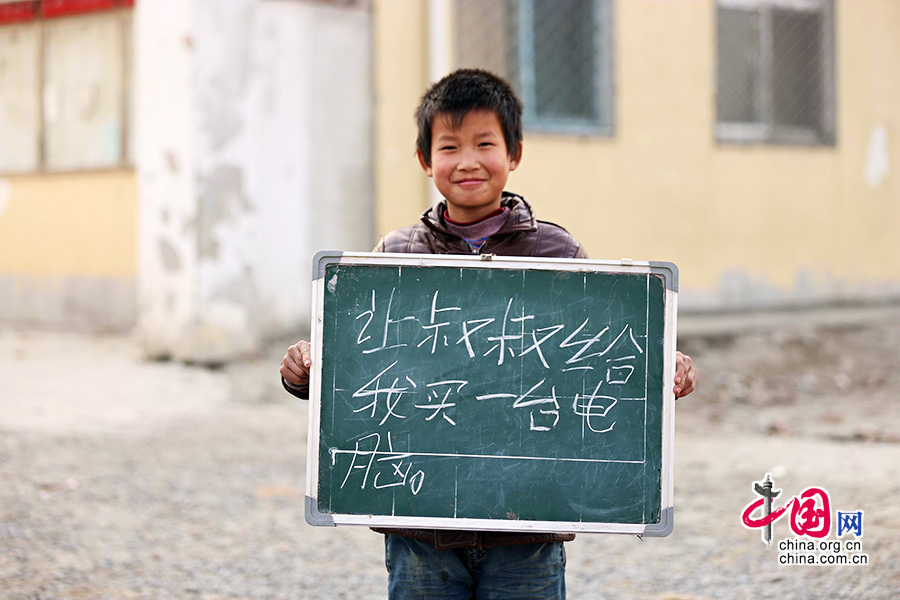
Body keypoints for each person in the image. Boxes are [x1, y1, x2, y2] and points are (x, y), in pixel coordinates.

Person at [281, 68, 696, 600]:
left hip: (527, 529)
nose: (468, 161)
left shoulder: (558, 256)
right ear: (425, 161)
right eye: (449, 146)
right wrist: (304, 371)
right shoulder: (395, 257)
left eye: (485, 143)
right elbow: (356, 372)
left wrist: (663, 366)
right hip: (420, 529)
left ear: (515, 152)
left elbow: (604, 357)